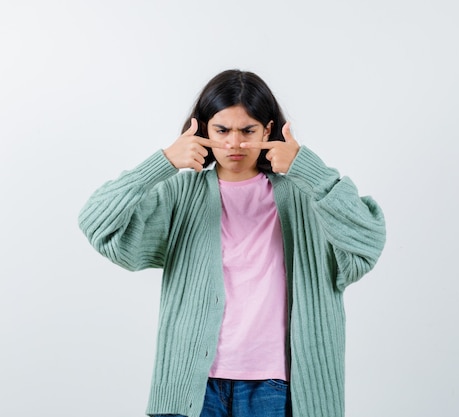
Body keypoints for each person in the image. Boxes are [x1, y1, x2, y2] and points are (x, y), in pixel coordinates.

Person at [78, 69, 386, 417]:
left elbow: (367, 241)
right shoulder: (181, 195)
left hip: (276, 387)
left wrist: (308, 170)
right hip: (191, 387)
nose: (234, 143)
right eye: (222, 130)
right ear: (204, 130)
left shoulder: (304, 197)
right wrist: (161, 163)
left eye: (248, 130)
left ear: (268, 130)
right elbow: (96, 223)